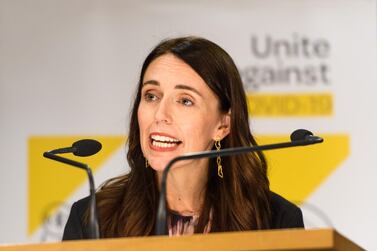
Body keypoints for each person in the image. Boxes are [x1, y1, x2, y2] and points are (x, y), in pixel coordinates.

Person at [63, 36, 304, 240]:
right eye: (151, 96)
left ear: (223, 125)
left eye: (185, 101)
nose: (160, 114)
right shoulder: (93, 218)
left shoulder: (275, 220)